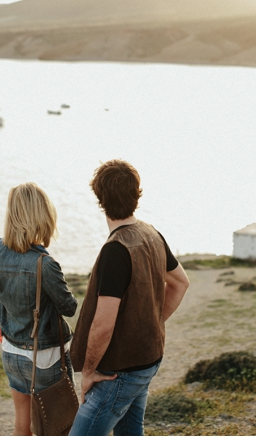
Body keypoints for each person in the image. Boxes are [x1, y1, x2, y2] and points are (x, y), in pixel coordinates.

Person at [69, 160, 190, 436]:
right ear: (137, 195)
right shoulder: (152, 233)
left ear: (100, 199)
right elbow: (181, 282)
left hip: (120, 372)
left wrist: (88, 373)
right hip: (149, 358)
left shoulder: (116, 250)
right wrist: (154, 322)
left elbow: (103, 324)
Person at [0, 183, 77, 436]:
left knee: (23, 421)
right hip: (44, 357)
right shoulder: (45, 263)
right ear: (43, 216)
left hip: (11, 351)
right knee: (58, 426)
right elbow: (70, 307)